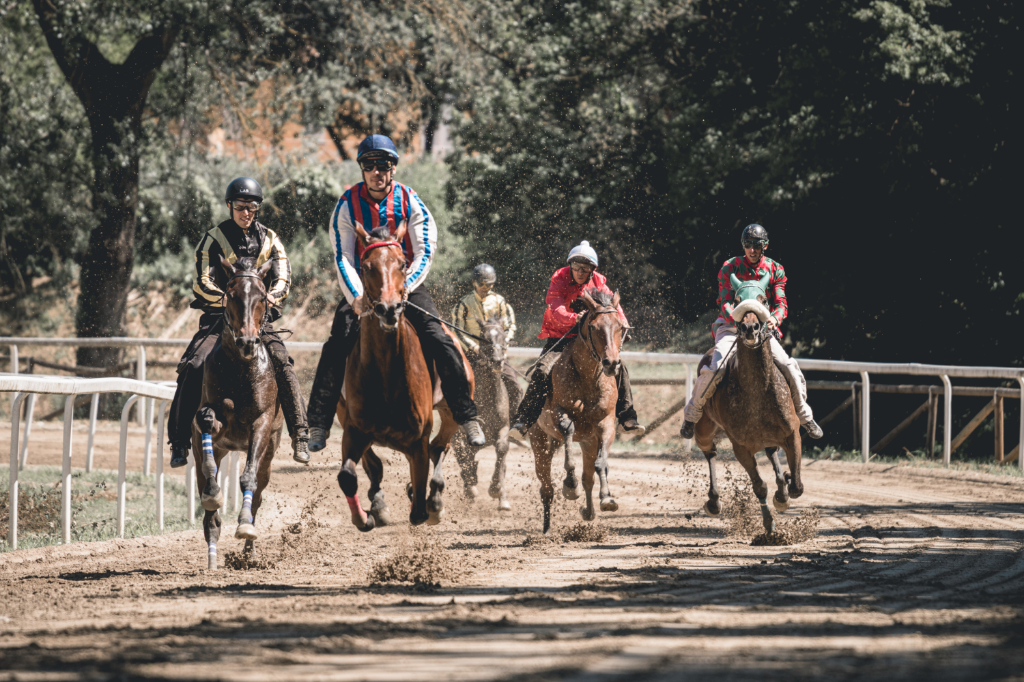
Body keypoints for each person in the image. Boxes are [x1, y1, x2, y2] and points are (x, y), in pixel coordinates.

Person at [306, 134, 486, 451]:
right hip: (365, 288)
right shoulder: (346, 204)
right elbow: (343, 257)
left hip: (406, 285)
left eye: (384, 165)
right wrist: (357, 296)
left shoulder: (411, 200)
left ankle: (465, 412)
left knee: (440, 338)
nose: (378, 172)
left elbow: (425, 251)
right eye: (370, 165)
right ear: (362, 169)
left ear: (392, 168)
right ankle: (318, 422)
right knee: (336, 345)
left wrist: (401, 289)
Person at [167, 177, 310, 467]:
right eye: (241, 207)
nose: (247, 213)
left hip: (258, 321)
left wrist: (271, 298)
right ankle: (179, 442)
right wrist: (224, 300)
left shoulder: (271, 239)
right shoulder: (212, 239)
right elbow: (202, 281)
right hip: (219, 320)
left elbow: (283, 278)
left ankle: (301, 434)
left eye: (252, 208)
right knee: (193, 365)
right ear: (230, 206)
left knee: (283, 362)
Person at [679, 224, 823, 439]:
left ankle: (805, 416)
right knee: (717, 368)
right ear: (743, 246)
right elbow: (724, 302)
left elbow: (781, 304)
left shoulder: (776, 269)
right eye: (747, 245)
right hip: (730, 326)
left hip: (762, 328)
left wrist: (774, 319)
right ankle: (692, 415)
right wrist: (738, 319)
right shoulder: (729, 267)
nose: (752, 250)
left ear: (765, 246)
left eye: (756, 245)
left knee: (788, 366)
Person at [510, 241, 645, 437]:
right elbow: (556, 309)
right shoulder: (559, 278)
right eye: (576, 267)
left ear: (592, 270)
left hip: (590, 339)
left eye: (585, 268)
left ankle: (627, 417)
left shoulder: (599, 282)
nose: (580, 272)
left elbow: (615, 310)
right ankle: (524, 420)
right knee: (541, 370)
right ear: (570, 266)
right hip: (561, 336)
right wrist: (575, 318)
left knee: (619, 366)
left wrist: (622, 324)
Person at [451, 263, 525, 410]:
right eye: (481, 284)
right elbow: (457, 330)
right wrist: (474, 347)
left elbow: (510, 326)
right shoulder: (463, 303)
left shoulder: (500, 301)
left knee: (516, 387)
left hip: (497, 354)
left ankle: (516, 423)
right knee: (456, 388)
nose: (485, 288)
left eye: (489, 285)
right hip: (471, 355)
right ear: (474, 283)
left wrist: (504, 346)